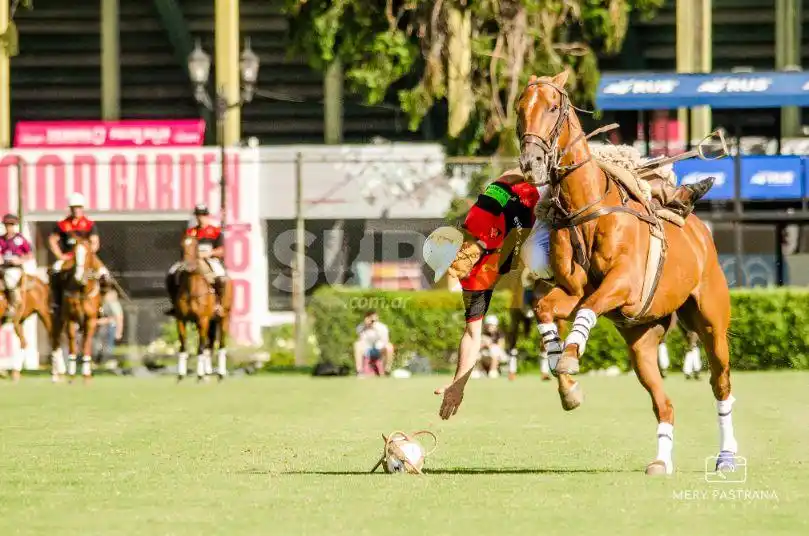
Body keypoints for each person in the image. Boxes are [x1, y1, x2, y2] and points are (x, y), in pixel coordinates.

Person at [432, 168, 541, 418]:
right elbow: (472, 335)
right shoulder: (473, 281)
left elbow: (505, 177)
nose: (452, 271)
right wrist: (458, 384)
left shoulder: (480, 214)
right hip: (540, 233)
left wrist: (534, 174)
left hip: (541, 193)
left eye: (450, 263)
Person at [48, 193, 111, 311]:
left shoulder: (89, 224)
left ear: (83, 208)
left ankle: (101, 304)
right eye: (74, 207)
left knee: (104, 274)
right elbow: (52, 240)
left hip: (87, 256)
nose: (76, 210)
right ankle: (57, 302)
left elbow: (95, 242)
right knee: (55, 270)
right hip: (70, 256)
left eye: (79, 207)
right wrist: (60, 255)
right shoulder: (62, 224)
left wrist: (88, 252)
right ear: (70, 209)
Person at [165, 204, 229, 316]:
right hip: (191, 260)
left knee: (222, 277)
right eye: (198, 215)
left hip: (210, 260)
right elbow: (184, 247)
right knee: (172, 273)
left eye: (203, 215)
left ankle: (218, 304)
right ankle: (175, 304)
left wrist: (209, 253)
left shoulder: (215, 231)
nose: (201, 217)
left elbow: (222, 250)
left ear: (207, 216)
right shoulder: (191, 232)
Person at [0, 214, 34, 320]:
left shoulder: (20, 239)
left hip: (15, 268)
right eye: (7, 225)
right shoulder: (1, 239)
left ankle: (13, 305)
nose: (9, 227)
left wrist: (19, 260)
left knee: (10, 281)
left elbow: (30, 254)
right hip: (2, 267)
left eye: (11, 225)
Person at [354, 310, 394, 376]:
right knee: (357, 344)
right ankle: (359, 371)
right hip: (366, 350)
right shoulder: (361, 327)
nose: (371, 320)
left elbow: (385, 341)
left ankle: (387, 370)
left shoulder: (382, 327)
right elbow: (360, 341)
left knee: (389, 346)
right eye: (370, 317)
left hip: (379, 349)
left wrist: (375, 328)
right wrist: (366, 327)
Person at [96, 290, 124, 364]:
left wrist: (119, 332)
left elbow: (119, 318)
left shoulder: (114, 304)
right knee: (100, 346)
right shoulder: (102, 303)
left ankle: (109, 362)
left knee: (109, 346)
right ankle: (100, 362)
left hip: (111, 327)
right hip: (102, 328)